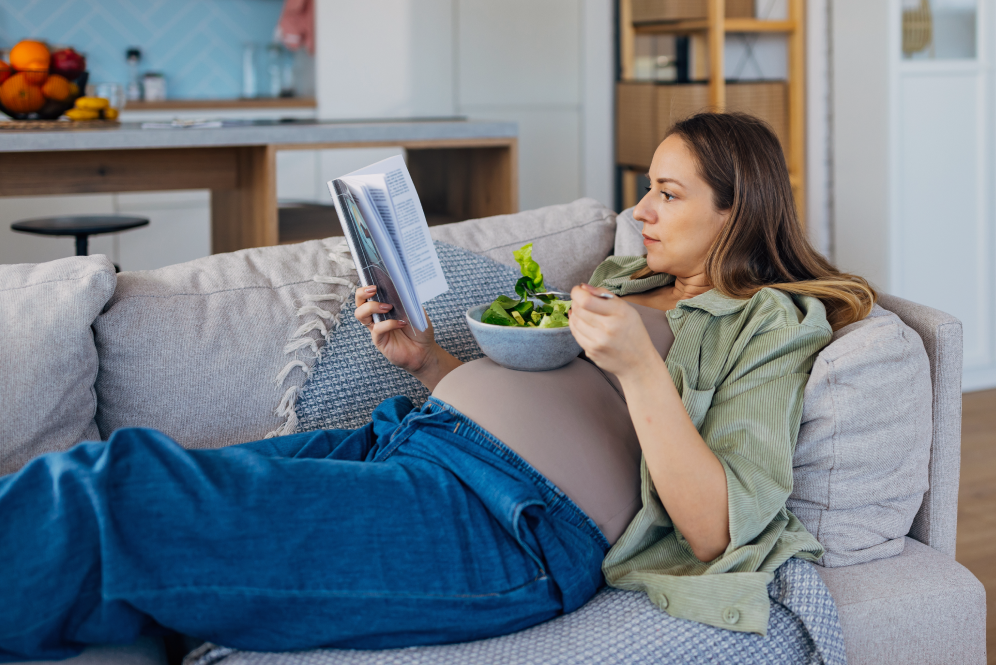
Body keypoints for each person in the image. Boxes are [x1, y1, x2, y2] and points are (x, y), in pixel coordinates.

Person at [0, 112, 875, 662]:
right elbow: (548, 401)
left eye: (668, 194)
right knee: (121, 475)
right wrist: (424, 361)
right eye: (646, 189)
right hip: (415, 439)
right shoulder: (630, 277)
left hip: (510, 521)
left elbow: (717, 526)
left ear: (737, 210)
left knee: (121, 497)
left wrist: (641, 366)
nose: (639, 211)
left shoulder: (769, 321)